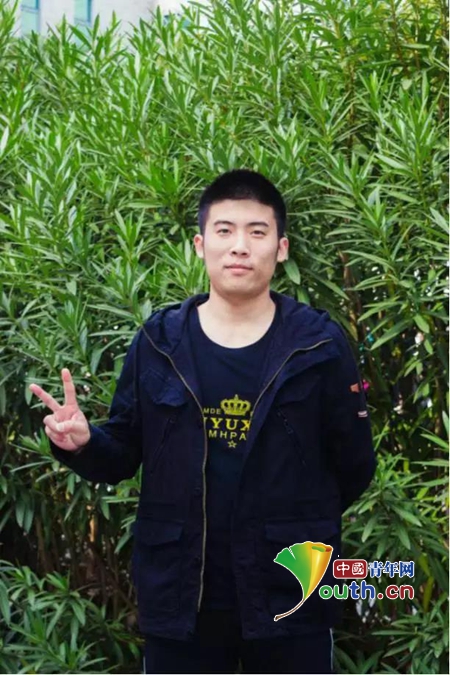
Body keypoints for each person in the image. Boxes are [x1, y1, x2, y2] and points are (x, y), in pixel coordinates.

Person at [29, 169, 376, 674]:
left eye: (257, 232)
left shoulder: (318, 345)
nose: (240, 246)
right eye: (224, 230)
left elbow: (355, 462)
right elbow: (123, 452)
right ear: (200, 244)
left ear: (280, 248)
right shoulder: (159, 342)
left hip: (289, 590)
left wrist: (296, 524)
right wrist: (82, 442)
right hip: (180, 593)